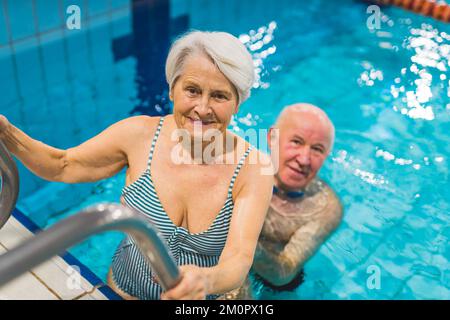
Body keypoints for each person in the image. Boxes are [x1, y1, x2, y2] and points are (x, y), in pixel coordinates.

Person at [0, 30, 273, 300]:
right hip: (124, 290)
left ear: (238, 103)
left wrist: (204, 280)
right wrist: (8, 134)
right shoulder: (137, 136)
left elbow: (238, 259)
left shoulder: (252, 169)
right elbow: (63, 165)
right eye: (192, 90)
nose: (202, 108)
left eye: (219, 96)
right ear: (171, 90)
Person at [224, 103, 343, 299]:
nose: (304, 159)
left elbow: (284, 274)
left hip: (274, 276)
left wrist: (243, 241)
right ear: (272, 138)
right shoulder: (237, 166)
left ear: (326, 156)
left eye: (317, 149)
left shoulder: (326, 207)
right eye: (296, 142)